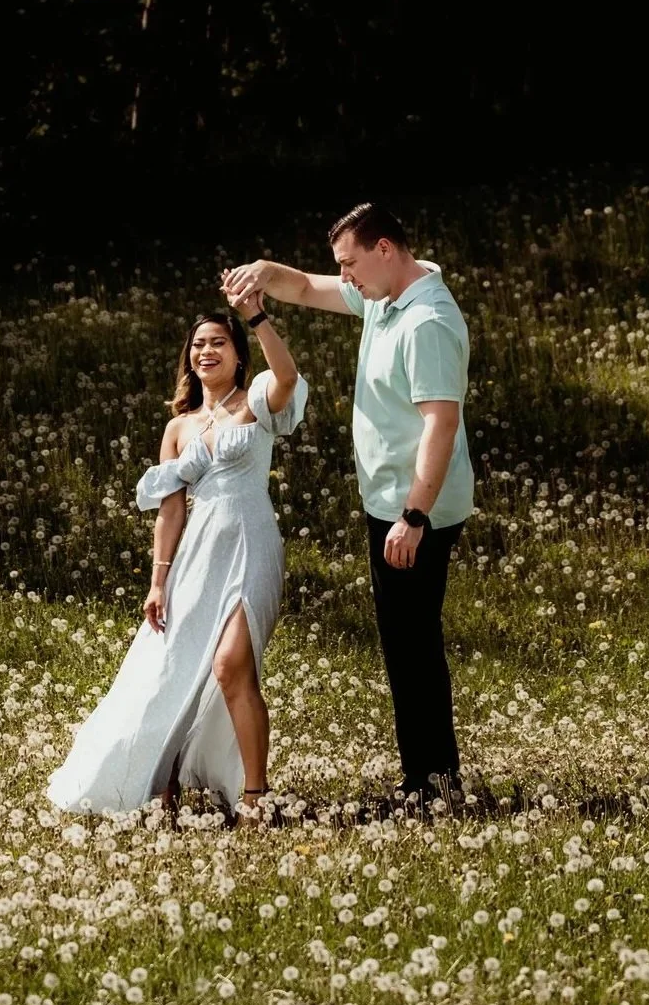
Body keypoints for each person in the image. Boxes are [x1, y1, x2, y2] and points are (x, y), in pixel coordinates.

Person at [222, 202, 473, 809]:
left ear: (385, 249)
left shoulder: (426, 322)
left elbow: (440, 424)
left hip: (417, 509)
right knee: (404, 639)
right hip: (389, 501)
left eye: (351, 263)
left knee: (412, 642)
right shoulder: (386, 298)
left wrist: (413, 515)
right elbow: (305, 286)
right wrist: (262, 272)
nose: (346, 276)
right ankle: (429, 779)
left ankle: (432, 786)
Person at [46, 294, 307, 823]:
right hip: (197, 553)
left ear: (238, 354)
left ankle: (254, 797)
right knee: (173, 667)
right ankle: (163, 776)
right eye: (198, 344)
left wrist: (256, 316)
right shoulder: (179, 427)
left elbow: (287, 372)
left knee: (232, 665)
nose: (207, 351)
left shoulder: (256, 400)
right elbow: (169, 514)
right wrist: (157, 582)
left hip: (252, 541)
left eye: (218, 343)